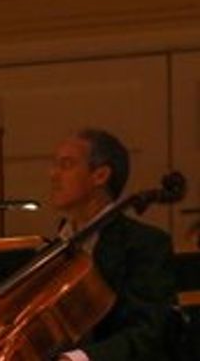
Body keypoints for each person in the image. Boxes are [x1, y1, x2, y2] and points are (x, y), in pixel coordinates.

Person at [49, 128, 178, 361]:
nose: (53, 174)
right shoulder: (51, 249)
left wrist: (79, 359)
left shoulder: (145, 245)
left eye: (66, 165)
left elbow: (150, 334)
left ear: (100, 175)